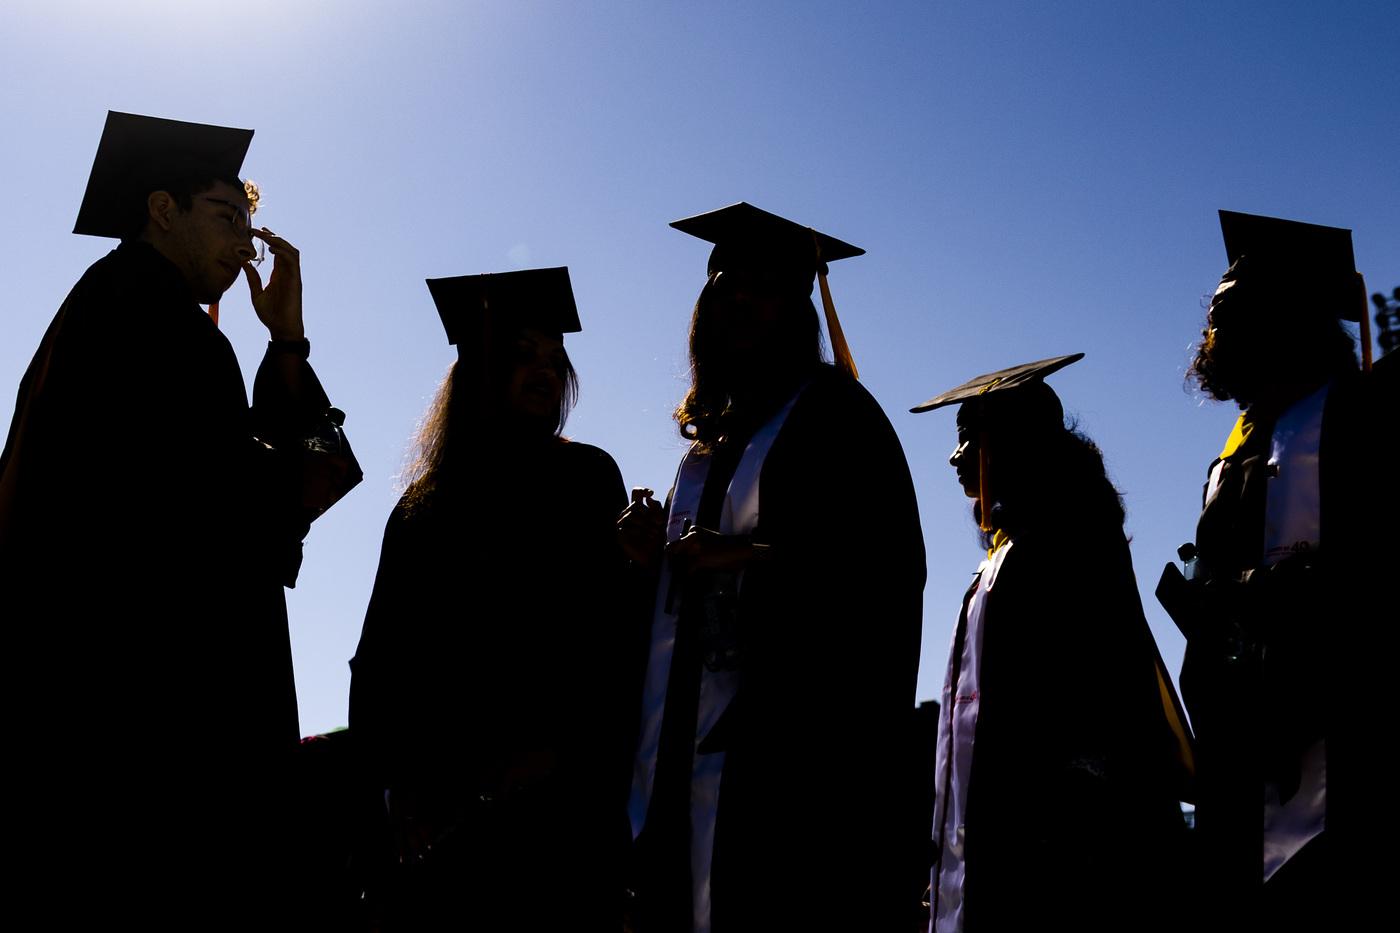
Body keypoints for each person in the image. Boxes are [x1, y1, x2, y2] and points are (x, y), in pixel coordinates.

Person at [0, 111, 358, 922]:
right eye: (226, 217)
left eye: (251, 225)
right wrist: (292, 346)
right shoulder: (159, 322)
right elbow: (259, 511)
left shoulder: (102, 306)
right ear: (163, 209)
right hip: (153, 725)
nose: (245, 246)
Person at [620, 203, 926, 932]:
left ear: (798, 307)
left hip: (788, 769)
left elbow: (884, 573)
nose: (740, 300)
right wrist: (646, 561)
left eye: (764, 286)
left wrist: (755, 557)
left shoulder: (840, 417)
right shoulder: (708, 444)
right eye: (725, 283)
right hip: (681, 754)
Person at [349, 267, 631, 930]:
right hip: (444, 824)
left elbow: (617, 638)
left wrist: (563, 751)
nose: (545, 370)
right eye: (522, 354)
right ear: (480, 368)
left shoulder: (587, 480)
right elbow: (380, 665)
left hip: (560, 811)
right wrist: (395, 794)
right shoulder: (424, 508)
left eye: (555, 358)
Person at [1164, 210, 1397, 928]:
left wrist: (1249, 598)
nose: (1212, 327)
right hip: (1240, 787)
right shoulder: (1233, 459)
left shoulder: (1363, 420)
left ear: (1285, 321)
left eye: (1230, 309)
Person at [912, 355, 1193, 932]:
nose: (955, 456)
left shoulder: (1066, 547)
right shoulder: (1012, 553)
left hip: (1056, 849)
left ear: (1014, 442)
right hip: (1007, 837)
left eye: (969, 438)